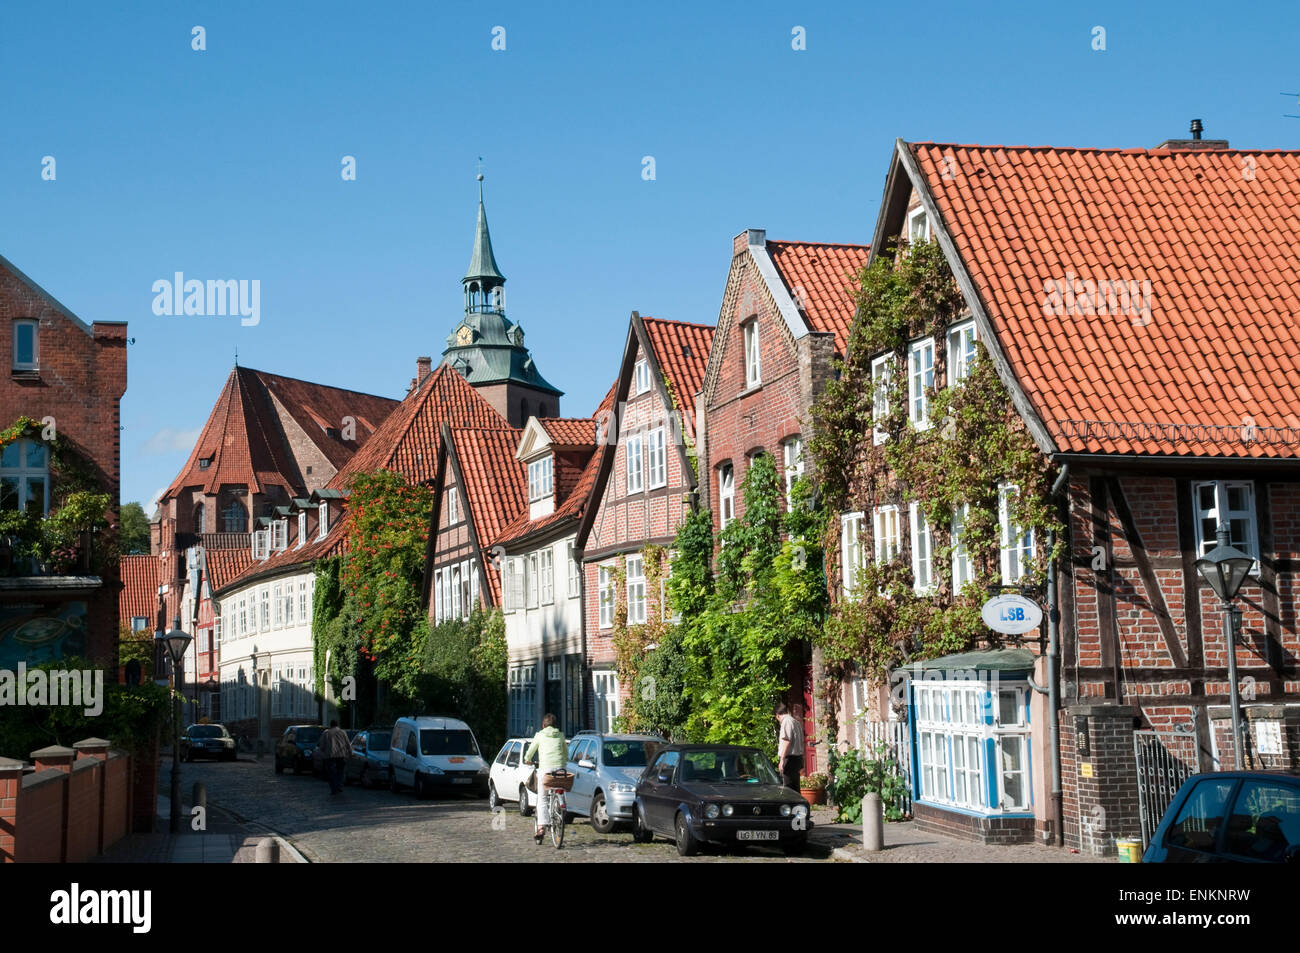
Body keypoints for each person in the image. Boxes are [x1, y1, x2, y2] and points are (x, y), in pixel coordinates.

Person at [523, 713, 567, 844]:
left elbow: (530, 752)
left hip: (545, 770)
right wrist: (563, 761)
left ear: (543, 725)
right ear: (555, 726)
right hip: (560, 770)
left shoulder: (540, 735)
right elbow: (566, 753)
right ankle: (560, 806)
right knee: (559, 788)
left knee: (542, 798)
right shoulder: (560, 735)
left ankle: (541, 828)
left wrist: (527, 760)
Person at [775, 702, 804, 790]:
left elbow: (786, 740)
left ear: (777, 715)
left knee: (788, 788)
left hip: (790, 759)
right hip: (797, 758)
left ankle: (791, 804)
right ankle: (798, 804)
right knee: (795, 787)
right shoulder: (795, 721)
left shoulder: (786, 722)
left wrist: (782, 760)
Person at [319, 720, 351, 795]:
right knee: (340, 771)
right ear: (337, 725)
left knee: (331, 773)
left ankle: (334, 788)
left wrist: (323, 752)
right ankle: (339, 785)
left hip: (330, 755)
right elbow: (347, 743)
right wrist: (350, 752)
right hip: (341, 755)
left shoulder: (326, 733)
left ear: (331, 725)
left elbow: (322, 745)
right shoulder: (343, 732)